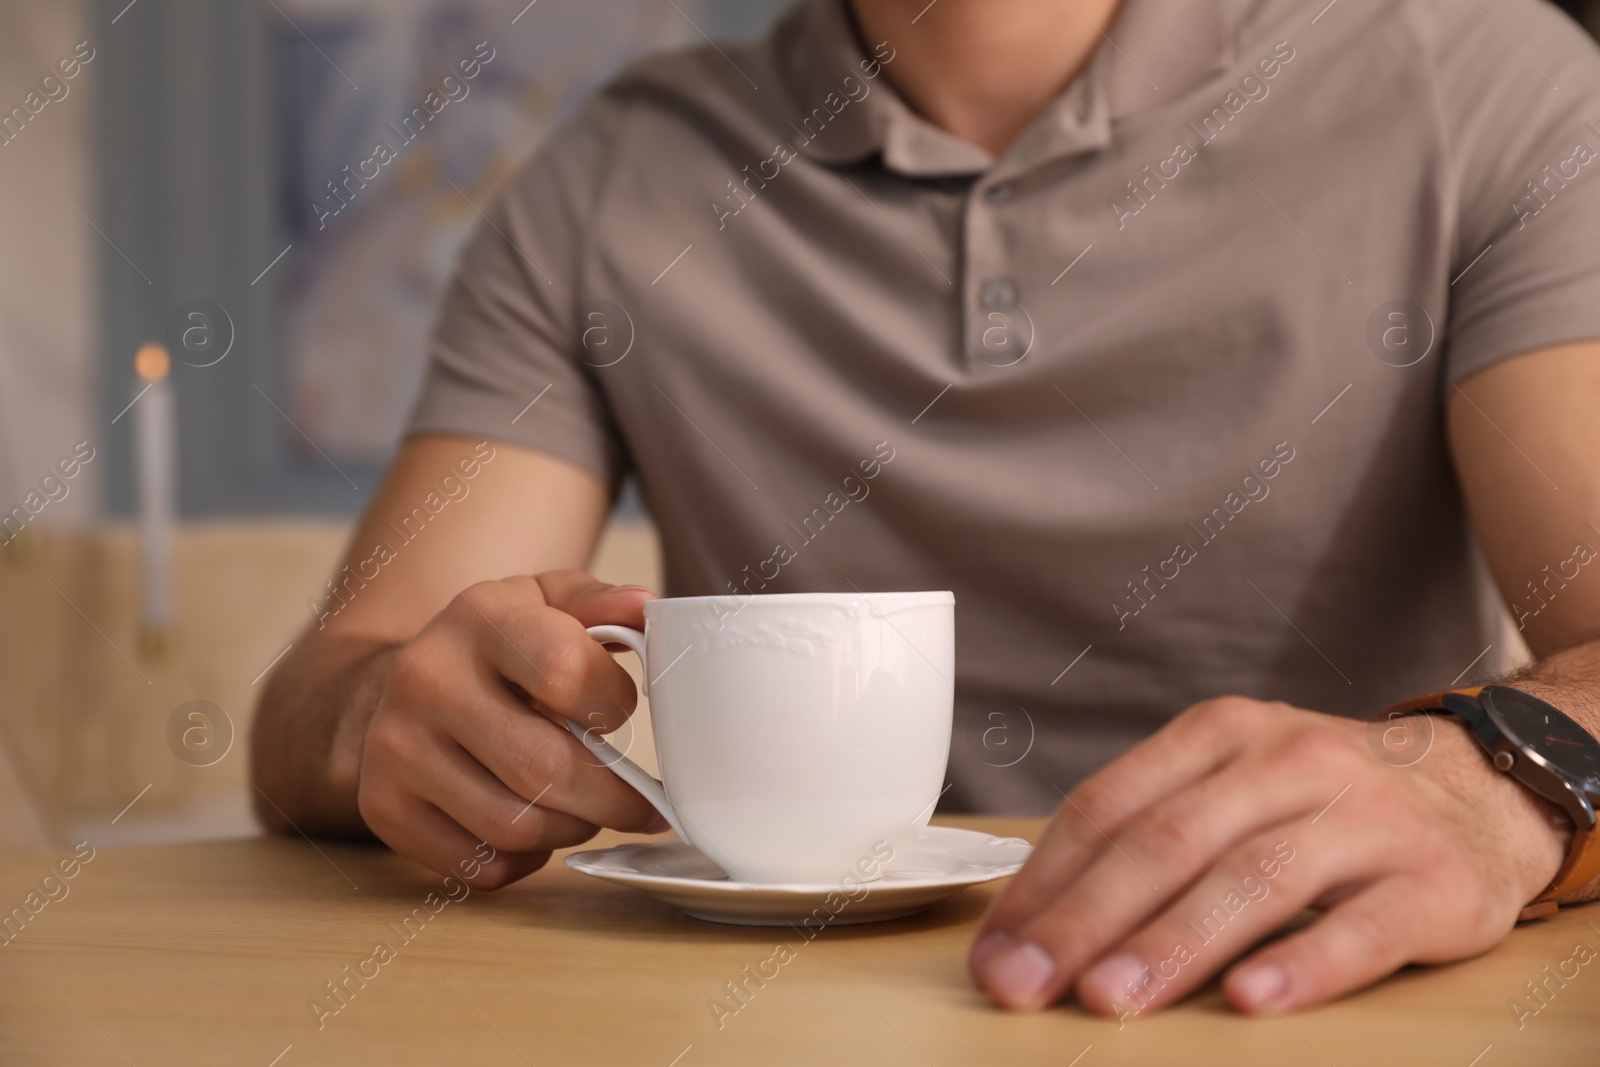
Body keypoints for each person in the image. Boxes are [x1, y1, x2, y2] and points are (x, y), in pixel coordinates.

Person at [252, 0, 1600, 1018]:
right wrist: (396, 722)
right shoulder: (615, 175)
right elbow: (329, 697)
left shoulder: (1486, 87)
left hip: (1323, 1010)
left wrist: (1495, 784)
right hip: (779, 1019)